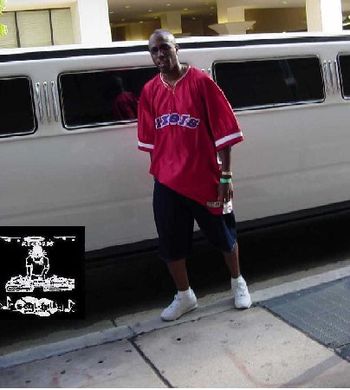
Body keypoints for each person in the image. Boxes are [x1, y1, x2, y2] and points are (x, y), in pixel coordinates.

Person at [137, 29, 252, 321]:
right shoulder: (150, 91)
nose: (160, 54)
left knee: (224, 235)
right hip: (167, 182)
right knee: (171, 243)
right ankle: (185, 296)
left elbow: (224, 132)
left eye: (165, 47)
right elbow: (151, 142)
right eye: (154, 51)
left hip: (206, 178)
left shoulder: (201, 82)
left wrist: (225, 175)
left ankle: (238, 283)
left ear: (177, 48)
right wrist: (161, 175)